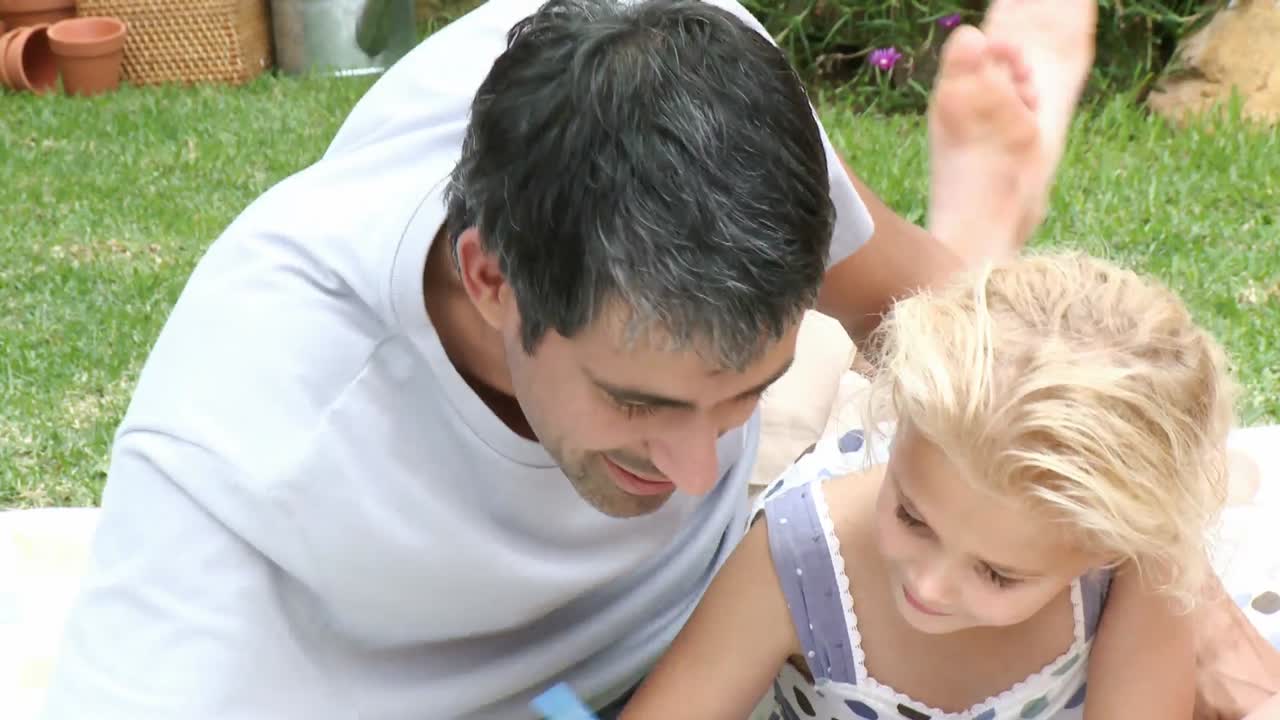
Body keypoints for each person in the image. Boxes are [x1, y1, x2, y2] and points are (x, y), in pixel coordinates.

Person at [31, 0, 1131, 718]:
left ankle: (971, 237)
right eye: (635, 399)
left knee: (935, 468)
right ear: (490, 278)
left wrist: (1165, 574)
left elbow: (902, 305)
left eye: (728, 390)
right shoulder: (241, 435)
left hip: (763, 525)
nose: (689, 469)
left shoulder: (711, 89)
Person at [620, 248, 1257, 720]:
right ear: (899, 435)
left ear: (1105, 549)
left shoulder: (1136, 567)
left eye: (998, 574)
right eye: (911, 516)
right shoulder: (800, 555)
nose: (929, 584)